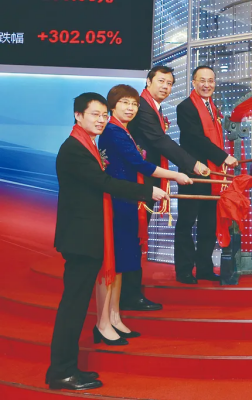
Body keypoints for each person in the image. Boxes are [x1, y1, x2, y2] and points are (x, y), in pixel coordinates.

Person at [46, 93, 168, 390]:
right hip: (81, 239)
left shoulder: (86, 144)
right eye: (94, 114)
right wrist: (147, 192)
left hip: (87, 237)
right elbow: (104, 183)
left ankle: (67, 369)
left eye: (104, 115)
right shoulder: (74, 149)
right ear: (78, 116)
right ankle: (61, 372)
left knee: (75, 306)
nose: (101, 120)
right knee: (73, 307)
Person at [94, 85, 194, 345]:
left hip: (127, 201)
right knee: (113, 265)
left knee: (121, 265)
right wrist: (175, 175)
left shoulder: (122, 130)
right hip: (118, 203)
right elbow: (139, 164)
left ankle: (114, 317)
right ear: (112, 106)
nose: (130, 108)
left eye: (134, 104)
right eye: (124, 103)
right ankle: (103, 322)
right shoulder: (113, 131)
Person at [127, 65, 209, 310]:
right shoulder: (143, 107)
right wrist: (191, 164)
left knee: (138, 235)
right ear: (148, 81)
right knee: (134, 236)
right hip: (139, 180)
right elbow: (159, 140)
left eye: (170, 83)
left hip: (147, 178)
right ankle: (130, 294)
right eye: (161, 81)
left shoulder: (153, 106)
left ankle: (131, 292)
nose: (165, 87)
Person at [174, 65, 238, 284]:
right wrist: (223, 157)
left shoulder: (213, 107)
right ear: (193, 82)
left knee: (208, 224)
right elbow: (195, 139)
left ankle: (204, 268)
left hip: (213, 176)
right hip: (193, 173)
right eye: (202, 80)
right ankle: (184, 271)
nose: (207, 85)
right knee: (186, 223)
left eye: (211, 81)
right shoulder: (185, 107)